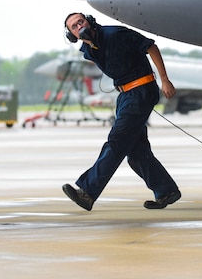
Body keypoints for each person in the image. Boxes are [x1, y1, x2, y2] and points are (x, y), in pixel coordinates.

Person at [61, 12, 181, 211]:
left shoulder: (115, 34)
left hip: (140, 91)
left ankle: (88, 192)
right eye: (74, 26)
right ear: (72, 35)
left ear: (89, 21)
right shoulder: (89, 49)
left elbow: (150, 46)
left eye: (80, 21)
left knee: (116, 142)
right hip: (125, 95)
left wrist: (164, 80)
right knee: (135, 151)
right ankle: (166, 190)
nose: (79, 26)